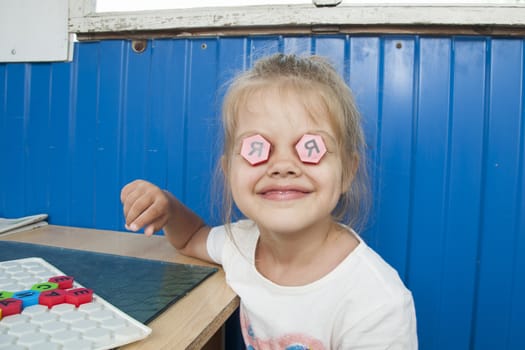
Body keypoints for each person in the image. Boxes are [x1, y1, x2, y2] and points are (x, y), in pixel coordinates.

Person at [121, 53, 418, 349]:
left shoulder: (377, 304)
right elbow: (190, 240)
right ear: (228, 171)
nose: (283, 165)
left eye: (309, 147)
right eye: (257, 148)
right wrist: (168, 209)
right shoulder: (241, 244)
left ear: (347, 172)